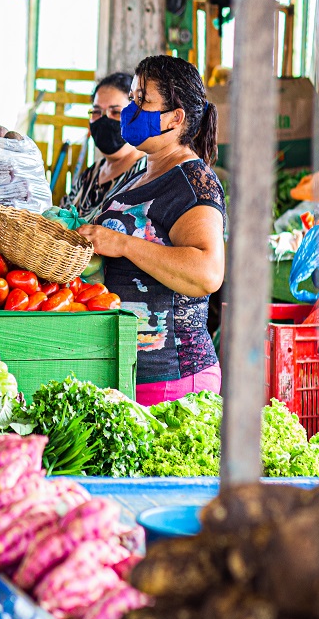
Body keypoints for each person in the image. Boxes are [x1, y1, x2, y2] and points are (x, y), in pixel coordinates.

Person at [77, 55, 225, 406]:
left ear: (176, 117)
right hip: (131, 373)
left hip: (172, 378)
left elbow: (206, 272)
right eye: (132, 98)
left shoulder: (193, 181)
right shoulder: (145, 174)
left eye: (142, 100)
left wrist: (123, 244)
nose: (132, 109)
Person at [61, 72, 147, 223]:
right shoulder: (91, 174)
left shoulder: (143, 175)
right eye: (96, 112)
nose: (104, 120)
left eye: (115, 112)